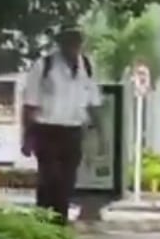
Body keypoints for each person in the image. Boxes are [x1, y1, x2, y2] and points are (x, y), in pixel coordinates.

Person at [22, 25, 103, 225]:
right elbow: (30, 104)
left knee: (67, 182)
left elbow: (93, 103)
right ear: (60, 43)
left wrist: (102, 135)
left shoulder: (87, 66)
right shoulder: (44, 66)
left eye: (77, 40)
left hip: (73, 131)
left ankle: (60, 223)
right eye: (68, 40)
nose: (73, 45)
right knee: (50, 179)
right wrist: (26, 137)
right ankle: (43, 222)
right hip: (47, 130)